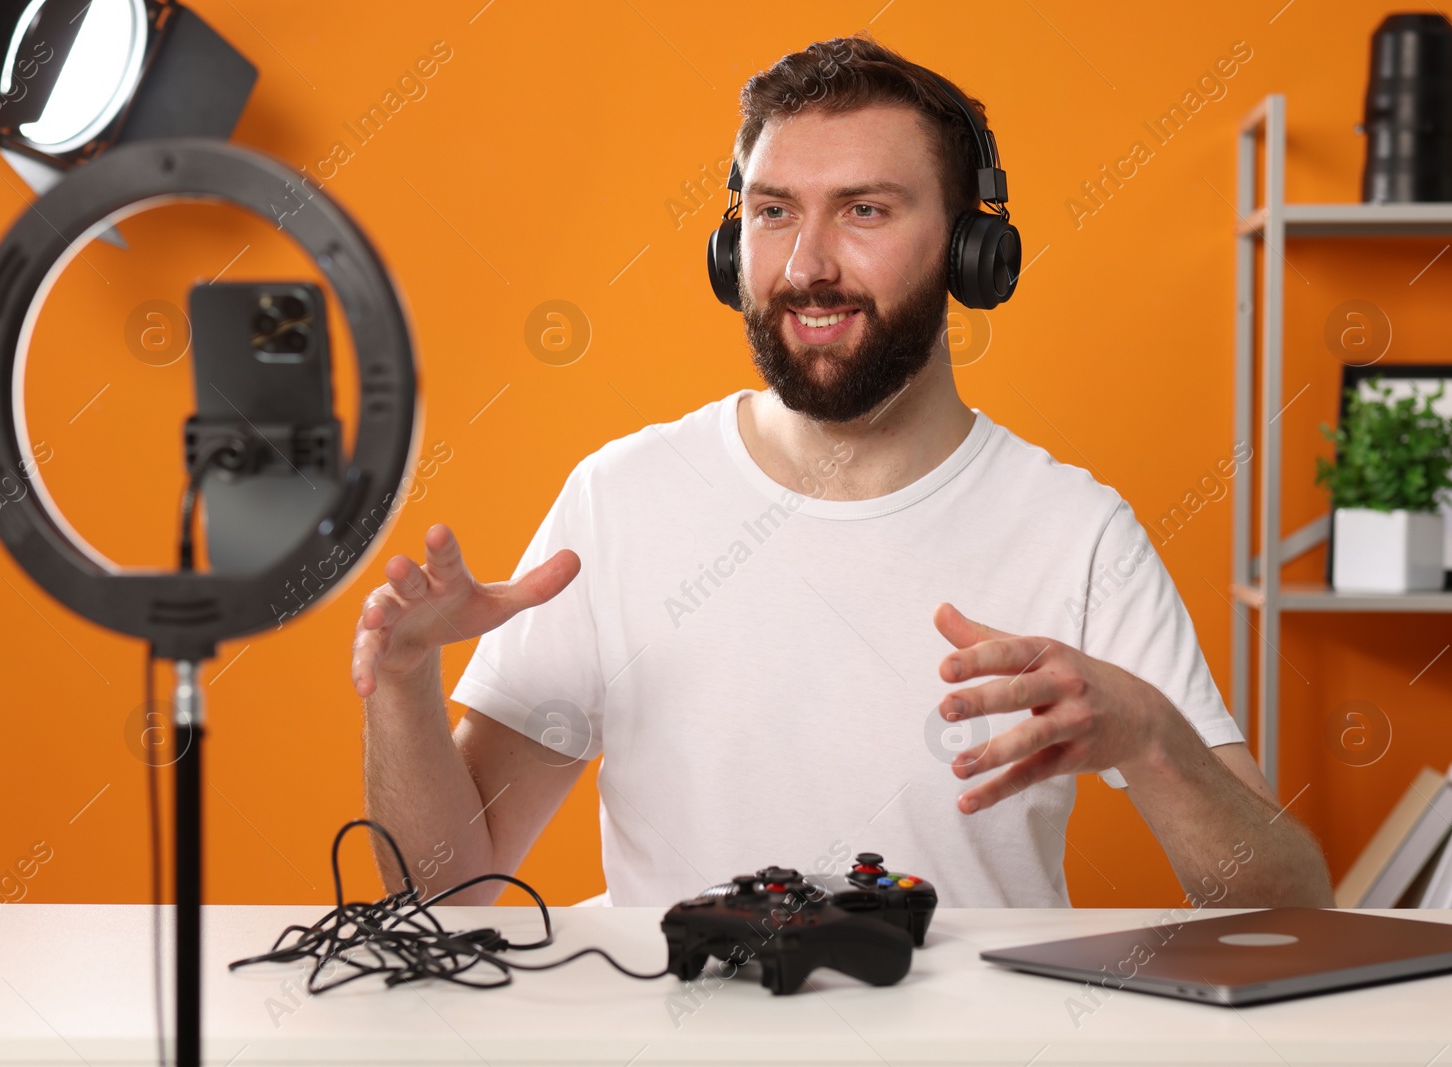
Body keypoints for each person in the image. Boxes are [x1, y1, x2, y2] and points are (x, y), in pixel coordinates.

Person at [353, 34, 1333, 909]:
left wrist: (1154, 738)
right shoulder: (621, 499)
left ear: (972, 248)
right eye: (774, 211)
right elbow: (444, 893)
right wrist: (401, 687)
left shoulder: (1073, 528)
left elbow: (1288, 905)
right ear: (730, 244)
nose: (806, 263)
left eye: (864, 209)